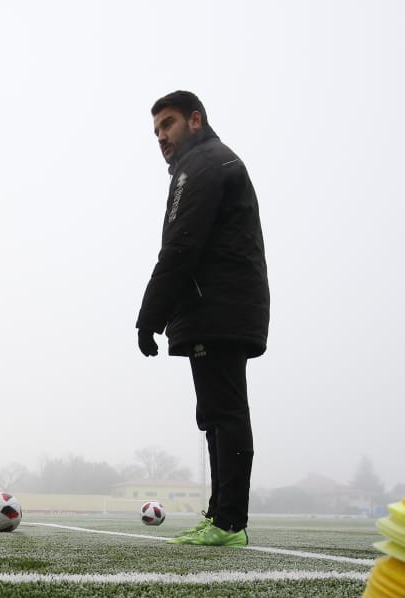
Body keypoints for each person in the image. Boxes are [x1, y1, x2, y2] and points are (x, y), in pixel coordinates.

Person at [136, 90, 269, 547]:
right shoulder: (204, 165)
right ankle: (220, 516)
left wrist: (149, 315)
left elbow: (181, 244)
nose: (161, 137)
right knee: (214, 412)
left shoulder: (205, 164)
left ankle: (229, 523)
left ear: (195, 120)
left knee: (226, 411)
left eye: (168, 124)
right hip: (218, 306)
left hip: (220, 307)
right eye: (156, 130)